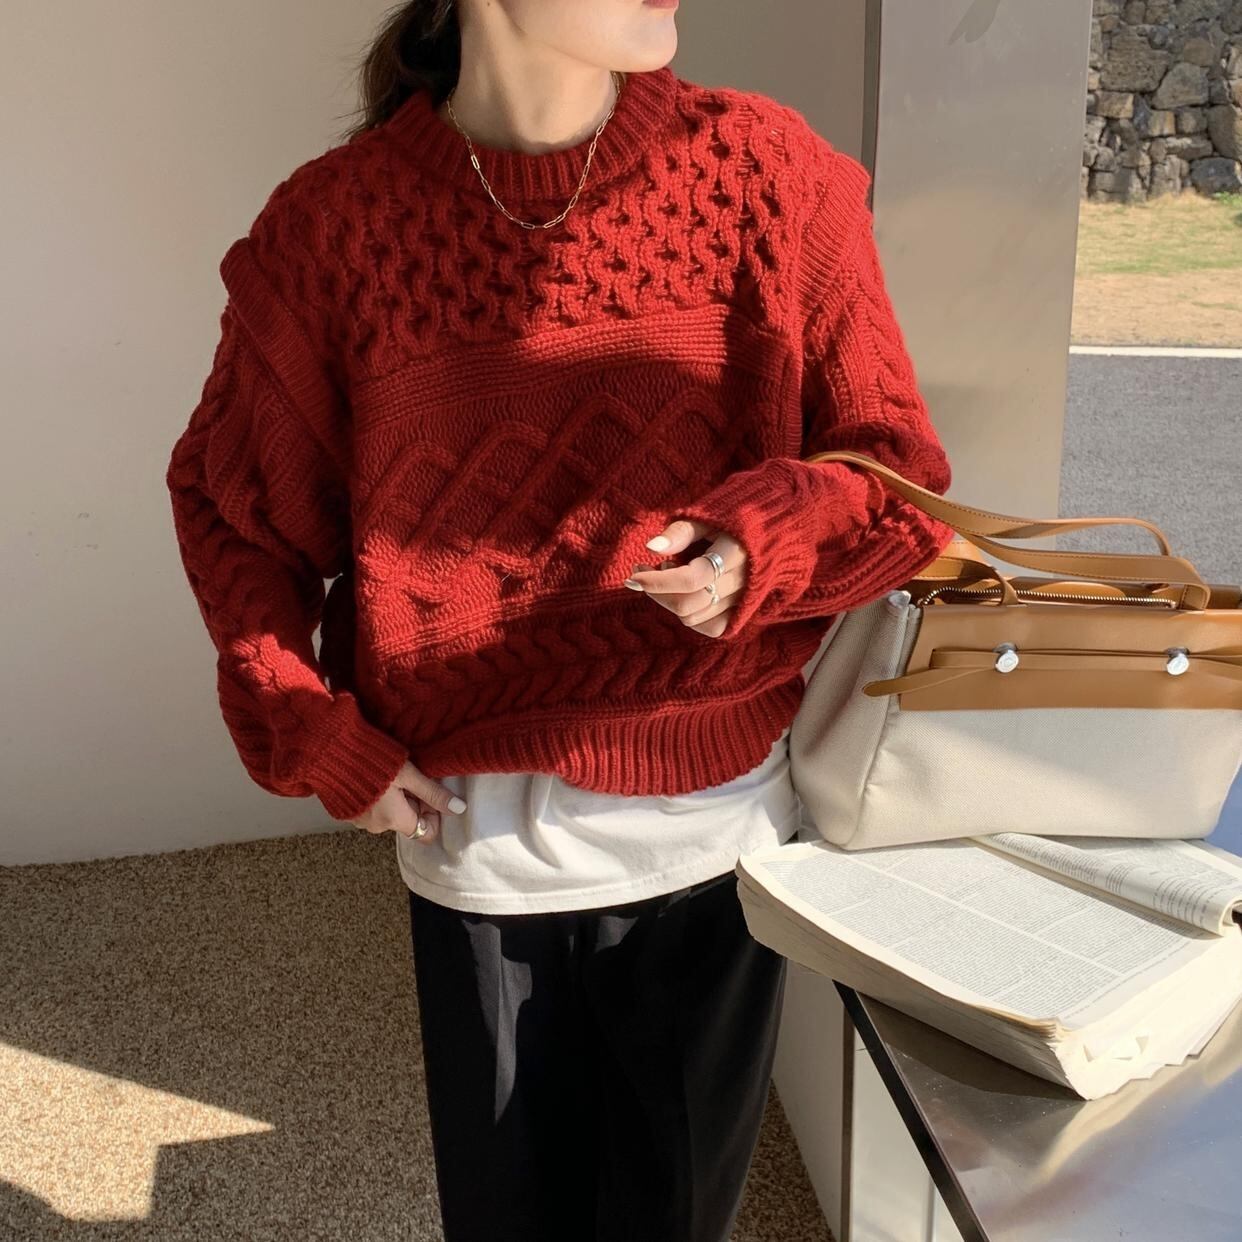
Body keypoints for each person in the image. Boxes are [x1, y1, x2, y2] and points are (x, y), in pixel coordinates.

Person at [164, 1, 958, 1238]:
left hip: (714, 841)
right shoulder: (331, 232)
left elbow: (895, 475)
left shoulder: (771, 174)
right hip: (472, 848)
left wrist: (762, 543)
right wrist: (308, 725)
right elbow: (234, 513)